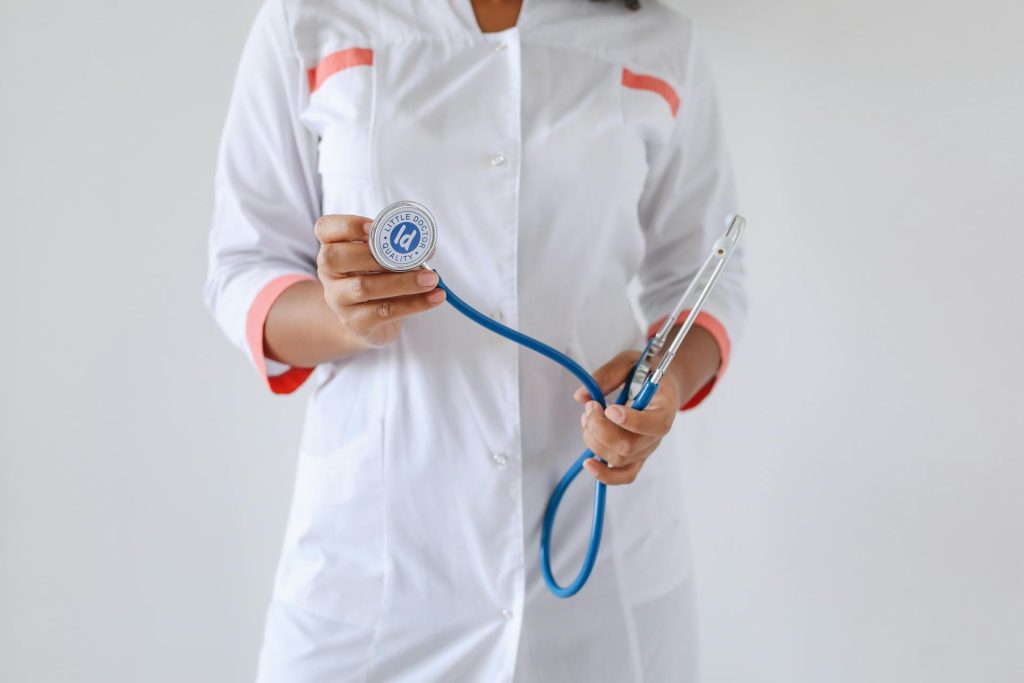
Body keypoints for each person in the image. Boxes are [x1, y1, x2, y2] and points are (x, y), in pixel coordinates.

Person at [205, 0, 747, 680]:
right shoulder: (310, 19)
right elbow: (242, 268)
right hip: (375, 572)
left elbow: (708, 278)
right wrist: (343, 317)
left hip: (599, 556)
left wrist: (660, 382)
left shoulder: (660, 43)